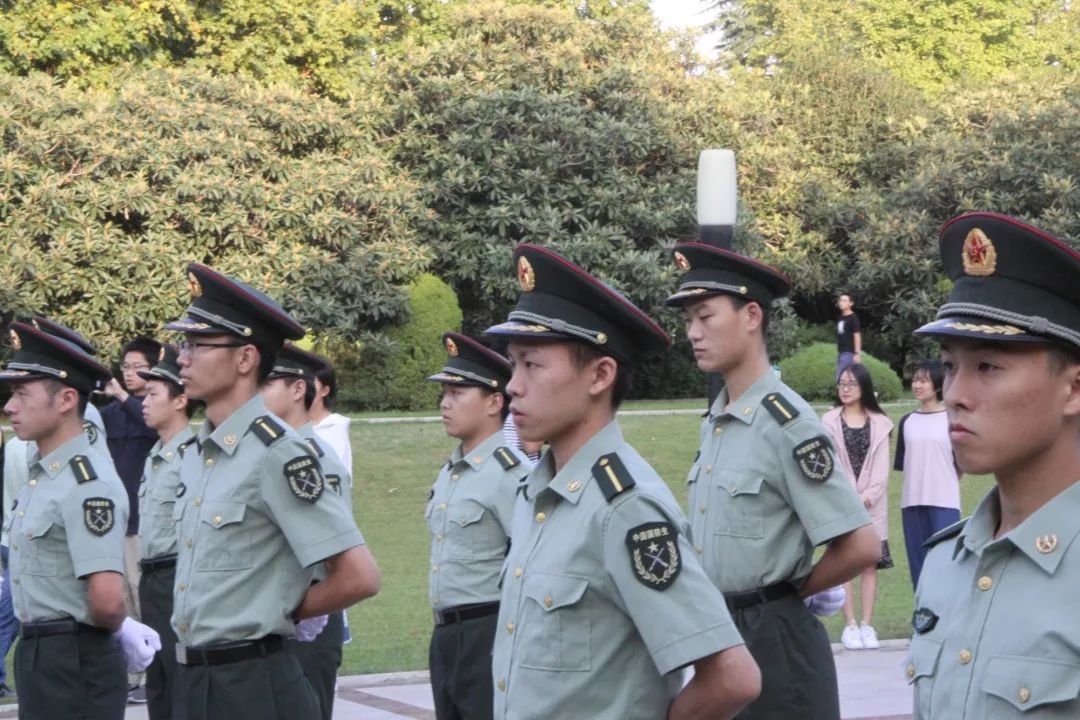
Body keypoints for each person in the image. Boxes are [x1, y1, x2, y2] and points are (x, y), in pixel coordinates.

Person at [486, 244, 761, 720]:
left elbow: (732, 677)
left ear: (600, 375)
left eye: (531, 364)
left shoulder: (623, 507)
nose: (512, 385)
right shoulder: (542, 491)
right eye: (513, 364)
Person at [666, 242, 880, 719]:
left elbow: (861, 546)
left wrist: (787, 594)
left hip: (773, 643)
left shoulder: (787, 423)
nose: (693, 333)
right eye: (687, 322)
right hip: (723, 637)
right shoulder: (719, 418)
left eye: (705, 316)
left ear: (752, 316)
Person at [165, 262, 380, 720]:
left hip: (254, 685)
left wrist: (282, 609)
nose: (182, 357)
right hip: (197, 680)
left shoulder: (278, 452)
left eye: (199, 345)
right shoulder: (205, 451)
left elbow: (359, 576)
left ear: (245, 359)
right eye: (185, 343)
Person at [904, 212, 1080, 717]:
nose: (955, 394)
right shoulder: (945, 563)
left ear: (1072, 388)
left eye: (988, 366)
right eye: (951, 365)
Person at [0, 321, 160, 719]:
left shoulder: (87, 483)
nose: (9, 406)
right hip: (43, 654)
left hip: (73, 659)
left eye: (22, 393)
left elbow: (106, 601)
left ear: (67, 399)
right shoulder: (47, 472)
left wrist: (121, 626)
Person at [259, 342, 368, 720]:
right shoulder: (266, 454)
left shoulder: (315, 459)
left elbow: (334, 555)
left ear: (297, 390)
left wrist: (309, 610)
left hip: (310, 619)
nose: (257, 394)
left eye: (267, 384)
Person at [424, 331, 528, 720]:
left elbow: (525, 561)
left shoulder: (509, 474)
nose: (445, 404)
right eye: (445, 393)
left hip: (488, 630)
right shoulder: (451, 472)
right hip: (446, 634)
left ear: (494, 402)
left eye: (457, 393)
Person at [136, 344, 199, 719]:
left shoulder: (192, 455)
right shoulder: (156, 456)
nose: (144, 402)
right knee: (157, 679)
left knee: (180, 680)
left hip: (177, 577)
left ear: (180, 400)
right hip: (152, 580)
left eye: (153, 394)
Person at [100, 335, 162, 704]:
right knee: (119, 597)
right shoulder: (110, 413)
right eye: (125, 367)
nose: (129, 373)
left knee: (141, 596)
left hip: (143, 524)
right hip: (116, 522)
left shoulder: (155, 407)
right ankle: (129, 673)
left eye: (137, 366)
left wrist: (123, 397)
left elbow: (150, 427)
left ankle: (148, 672)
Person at [822, 363, 894, 651]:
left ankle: (867, 624)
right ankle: (849, 624)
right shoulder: (827, 421)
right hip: (840, 504)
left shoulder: (881, 422)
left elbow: (882, 471)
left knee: (868, 565)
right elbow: (828, 464)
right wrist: (847, 498)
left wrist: (866, 497)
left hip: (872, 505)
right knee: (844, 565)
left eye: (851, 383)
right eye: (842, 384)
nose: (846, 389)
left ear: (864, 387)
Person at [894, 359, 961, 590]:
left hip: (944, 500)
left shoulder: (952, 420)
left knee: (944, 562)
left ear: (938, 385)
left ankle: (947, 621)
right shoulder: (907, 421)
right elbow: (905, 463)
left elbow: (960, 462)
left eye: (923, 380)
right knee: (918, 565)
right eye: (914, 380)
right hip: (912, 501)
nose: (917, 385)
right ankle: (923, 620)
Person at [310, 360, 353, 476]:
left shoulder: (335, 427)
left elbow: (340, 476)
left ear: (324, 391)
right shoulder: (292, 423)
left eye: (310, 384)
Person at [836, 293, 862, 379]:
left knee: (840, 379)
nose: (841, 302)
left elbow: (857, 336)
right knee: (846, 380)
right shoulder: (840, 317)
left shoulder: (853, 318)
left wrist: (857, 354)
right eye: (840, 300)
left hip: (849, 353)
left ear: (850, 303)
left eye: (844, 301)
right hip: (841, 352)